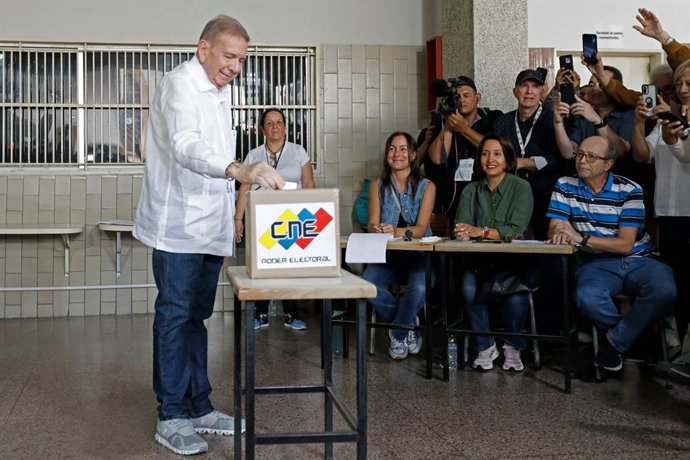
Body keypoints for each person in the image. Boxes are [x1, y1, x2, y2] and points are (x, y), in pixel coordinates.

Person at [133, 15, 285, 456]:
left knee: (197, 317)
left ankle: (199, 406)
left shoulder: (221, 91)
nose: (235, 66)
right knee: (175, 316)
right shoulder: (181, 84)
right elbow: (186, 146)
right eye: (229, 56)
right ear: (203, 48)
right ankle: (172, 414)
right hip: (178, 227)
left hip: (210, 226)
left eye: (241, 59)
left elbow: (213, 152)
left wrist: (232, 214)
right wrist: (241, 169)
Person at [547, 135, 676, 372]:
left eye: (591, 157)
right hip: (596, 262)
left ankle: (614, 343)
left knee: (665, 289)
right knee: (586, 296)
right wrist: (560, 231)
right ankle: (635, 339)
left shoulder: (630, 189)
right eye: (580, 154)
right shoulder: (565, 184)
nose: (582, 161)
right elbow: (556, 227)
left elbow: (625, 244)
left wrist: (581, 237)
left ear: (608, 164)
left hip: (639, 259)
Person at [453, 133, 534, 372]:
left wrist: (481, 231)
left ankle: (512, 347)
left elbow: (516, 230)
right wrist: (465, 233)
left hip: (512, 261)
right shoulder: (470, 190)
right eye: (485, 154)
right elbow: (462, 226)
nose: (490, 159)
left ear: (508, 160)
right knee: (468, 288)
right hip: (478, 261)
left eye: (497, 154)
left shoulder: (521, 187)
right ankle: (485, 346)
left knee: (516, 294)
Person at [632, 60, 690, 379]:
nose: (680, 91)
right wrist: (640, 122)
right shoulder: (663, 120)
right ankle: (677, 349)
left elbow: (684, 152)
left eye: (685, 85)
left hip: (688, 208)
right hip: (668, 212)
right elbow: (642, 155)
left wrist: (672, 137)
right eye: (675, 85)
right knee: (675, 281)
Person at [234, 107, 315, 330]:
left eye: (279, 122)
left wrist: (312, 215)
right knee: (262, 266)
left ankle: (292, 312)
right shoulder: (254, 154)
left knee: (291, 266)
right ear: (262, 129)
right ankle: (260, 314)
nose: (275, 126)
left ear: (285, 127)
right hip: (262, 218)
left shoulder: (298, 151)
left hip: (293, 218)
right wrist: (238, 219)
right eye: (269, 123)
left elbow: (308, 184)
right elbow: (244, 188)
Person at [362, 131, 436, 360]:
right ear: (386, 156)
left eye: (403, 149)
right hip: (389, 256)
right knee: (366, 284)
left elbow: (422, 229)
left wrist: (393, 231)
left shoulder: (427, 186)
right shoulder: (378, 185)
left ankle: (398, 331)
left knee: (420, 287)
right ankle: (407, 322)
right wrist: (377, 229)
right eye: (392, 149)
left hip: (419, 256)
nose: (398, 154)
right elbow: (372, 223)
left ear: (414, 155)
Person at [426, 76, 502, 235]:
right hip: (452, 197)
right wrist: (448, 123)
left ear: (477, 97)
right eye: (457, 97)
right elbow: (437, 158)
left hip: (485, 194)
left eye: (466, 95)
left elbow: (498, 151)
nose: (462, 100)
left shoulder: (492, 119)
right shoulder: (443, 122)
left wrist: (464, 129)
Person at [494, 69, 564, 239]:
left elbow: (560, 160)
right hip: (511, 193)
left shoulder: (552, 119)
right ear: (515, 91)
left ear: (542, 91)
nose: (529, 91)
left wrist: (525, 162)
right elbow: (497, 156)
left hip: (544, 193)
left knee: (542, 244)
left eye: (535, 86)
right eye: (524, 86)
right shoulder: (503, 121)